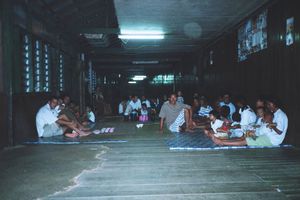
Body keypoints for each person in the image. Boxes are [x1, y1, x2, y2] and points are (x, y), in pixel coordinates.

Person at [211, 98, 288, 147]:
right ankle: (223, 141)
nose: (267, 105)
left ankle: (222, 142)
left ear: (274, 104)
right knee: (245, 136)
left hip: (272, 140)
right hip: (266, 135)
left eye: (269, 104)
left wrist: (271, 124)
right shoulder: (273, 113)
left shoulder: (281, 115)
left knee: (246, 141)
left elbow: (280, 131)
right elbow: (266, 125)